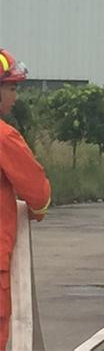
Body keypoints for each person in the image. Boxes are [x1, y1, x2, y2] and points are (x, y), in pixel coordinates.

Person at [0, 48, 51, 351]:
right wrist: (37, 210)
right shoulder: (4, 138)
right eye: (11, 88)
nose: (15, 97)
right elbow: (37, 191)